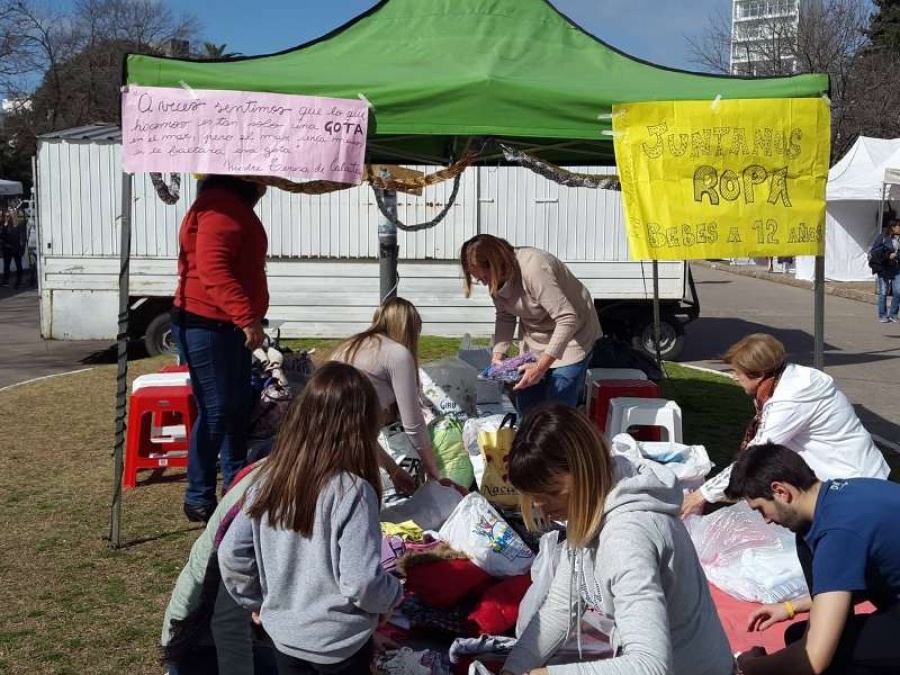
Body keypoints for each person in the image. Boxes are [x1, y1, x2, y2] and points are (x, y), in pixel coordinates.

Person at [501, 404, 734, 675]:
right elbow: (560, 608)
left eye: (551, 492)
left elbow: (650, 665)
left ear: (585, 471)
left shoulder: (626, 538)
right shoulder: (592, 502)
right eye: (534, 494)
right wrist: (513, 669)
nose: (540, 505)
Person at [218, 362, 403, 675]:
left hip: (285, 638)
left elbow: (231, 552)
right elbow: (362, 581)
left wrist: (257, 602)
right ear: (362, 425)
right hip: (338, 645)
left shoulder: (269, 477)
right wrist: (392, 594)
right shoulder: (352, 491)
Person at [726, 443, 900, 675]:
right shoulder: (840, 496)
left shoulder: (837, 533)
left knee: (825, 655)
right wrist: (790, 607)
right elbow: (845, 583)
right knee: (798, 636)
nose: (766, 520)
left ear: (780, 491)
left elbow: (812, 660)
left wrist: (748, 666)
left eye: (760, 509)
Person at [681, 333, 888, 518]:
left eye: (737, 372)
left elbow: (755, 456)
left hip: (854, 484)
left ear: (758, 374)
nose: (734, 376)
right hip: (847, 480)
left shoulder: (790, 399)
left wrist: (702, 495)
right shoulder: (782, 381)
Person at [171, 175, 269, 523]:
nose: (265, 186)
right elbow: (214, 271)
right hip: (209, 324)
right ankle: (198, 496)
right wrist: (247, 318)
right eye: (261, 181)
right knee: (217, 409)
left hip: (222, 325)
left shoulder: (224, 206)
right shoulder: (219, 209)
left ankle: (235, 484)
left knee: (235, 407)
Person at [460, 234, 601, 415]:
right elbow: (505, 316)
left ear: (496, 263)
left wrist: (541, 367)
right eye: (479, 280)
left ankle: (560, 441)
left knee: (558, 403)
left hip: (573, 336)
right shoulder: (497, 279)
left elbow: (567, 318)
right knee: (527, 402)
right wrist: (499, 354)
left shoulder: (534, 269)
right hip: (535, 337)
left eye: (485, 276)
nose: (485, 283)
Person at [161, 461, 278, 675]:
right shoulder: (268, 499)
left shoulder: (274, 468)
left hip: (237, 634)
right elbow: (228, 622)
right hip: (202, 642)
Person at [332, 297, 440, 495]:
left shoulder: (350, 345)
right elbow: (413, 423)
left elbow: (357, 431)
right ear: (408, 329)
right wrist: (430, 465)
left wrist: (394, 470)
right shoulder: (397, 354)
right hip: (346, 455)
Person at [868, 218, 900, 323]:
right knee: (883, 292)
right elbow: (875, 251)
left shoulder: (899, 239)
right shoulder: (882, 237)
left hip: (896, 267)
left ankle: (893, 315)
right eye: (899, 226)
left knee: (898, 291)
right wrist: (888, 255)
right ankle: (883, 315)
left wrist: (896, 255)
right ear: (893, 227)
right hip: (883, 267)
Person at [0, 207, 24, 288]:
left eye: (8, 215)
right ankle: (6, 281)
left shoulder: (18, 225)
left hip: (16, 248)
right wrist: (5, 225)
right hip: (7, 249)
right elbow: (2, 236)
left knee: (18, 265)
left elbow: (22, 238)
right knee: (6, 265)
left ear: (13, 215)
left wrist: (22, 248)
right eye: (6, 216)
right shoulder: (6, 225)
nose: (7, 217)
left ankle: (19, 280)